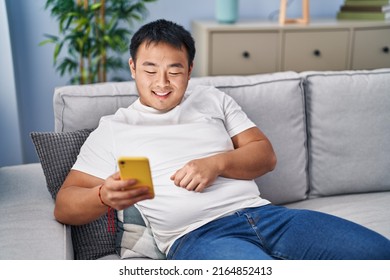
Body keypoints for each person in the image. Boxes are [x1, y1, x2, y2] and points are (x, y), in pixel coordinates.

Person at [54, 19, 390, 260]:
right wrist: (103, 196)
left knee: (379, 255)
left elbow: (265, 156)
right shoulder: (115, 128)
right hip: (197, 237)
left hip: (268, 217)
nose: (162, 82)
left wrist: (217, 163)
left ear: (190, 69)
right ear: (132, 67)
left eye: (174, 70)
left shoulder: (212, 99)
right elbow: (65, 205)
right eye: (150, 69)